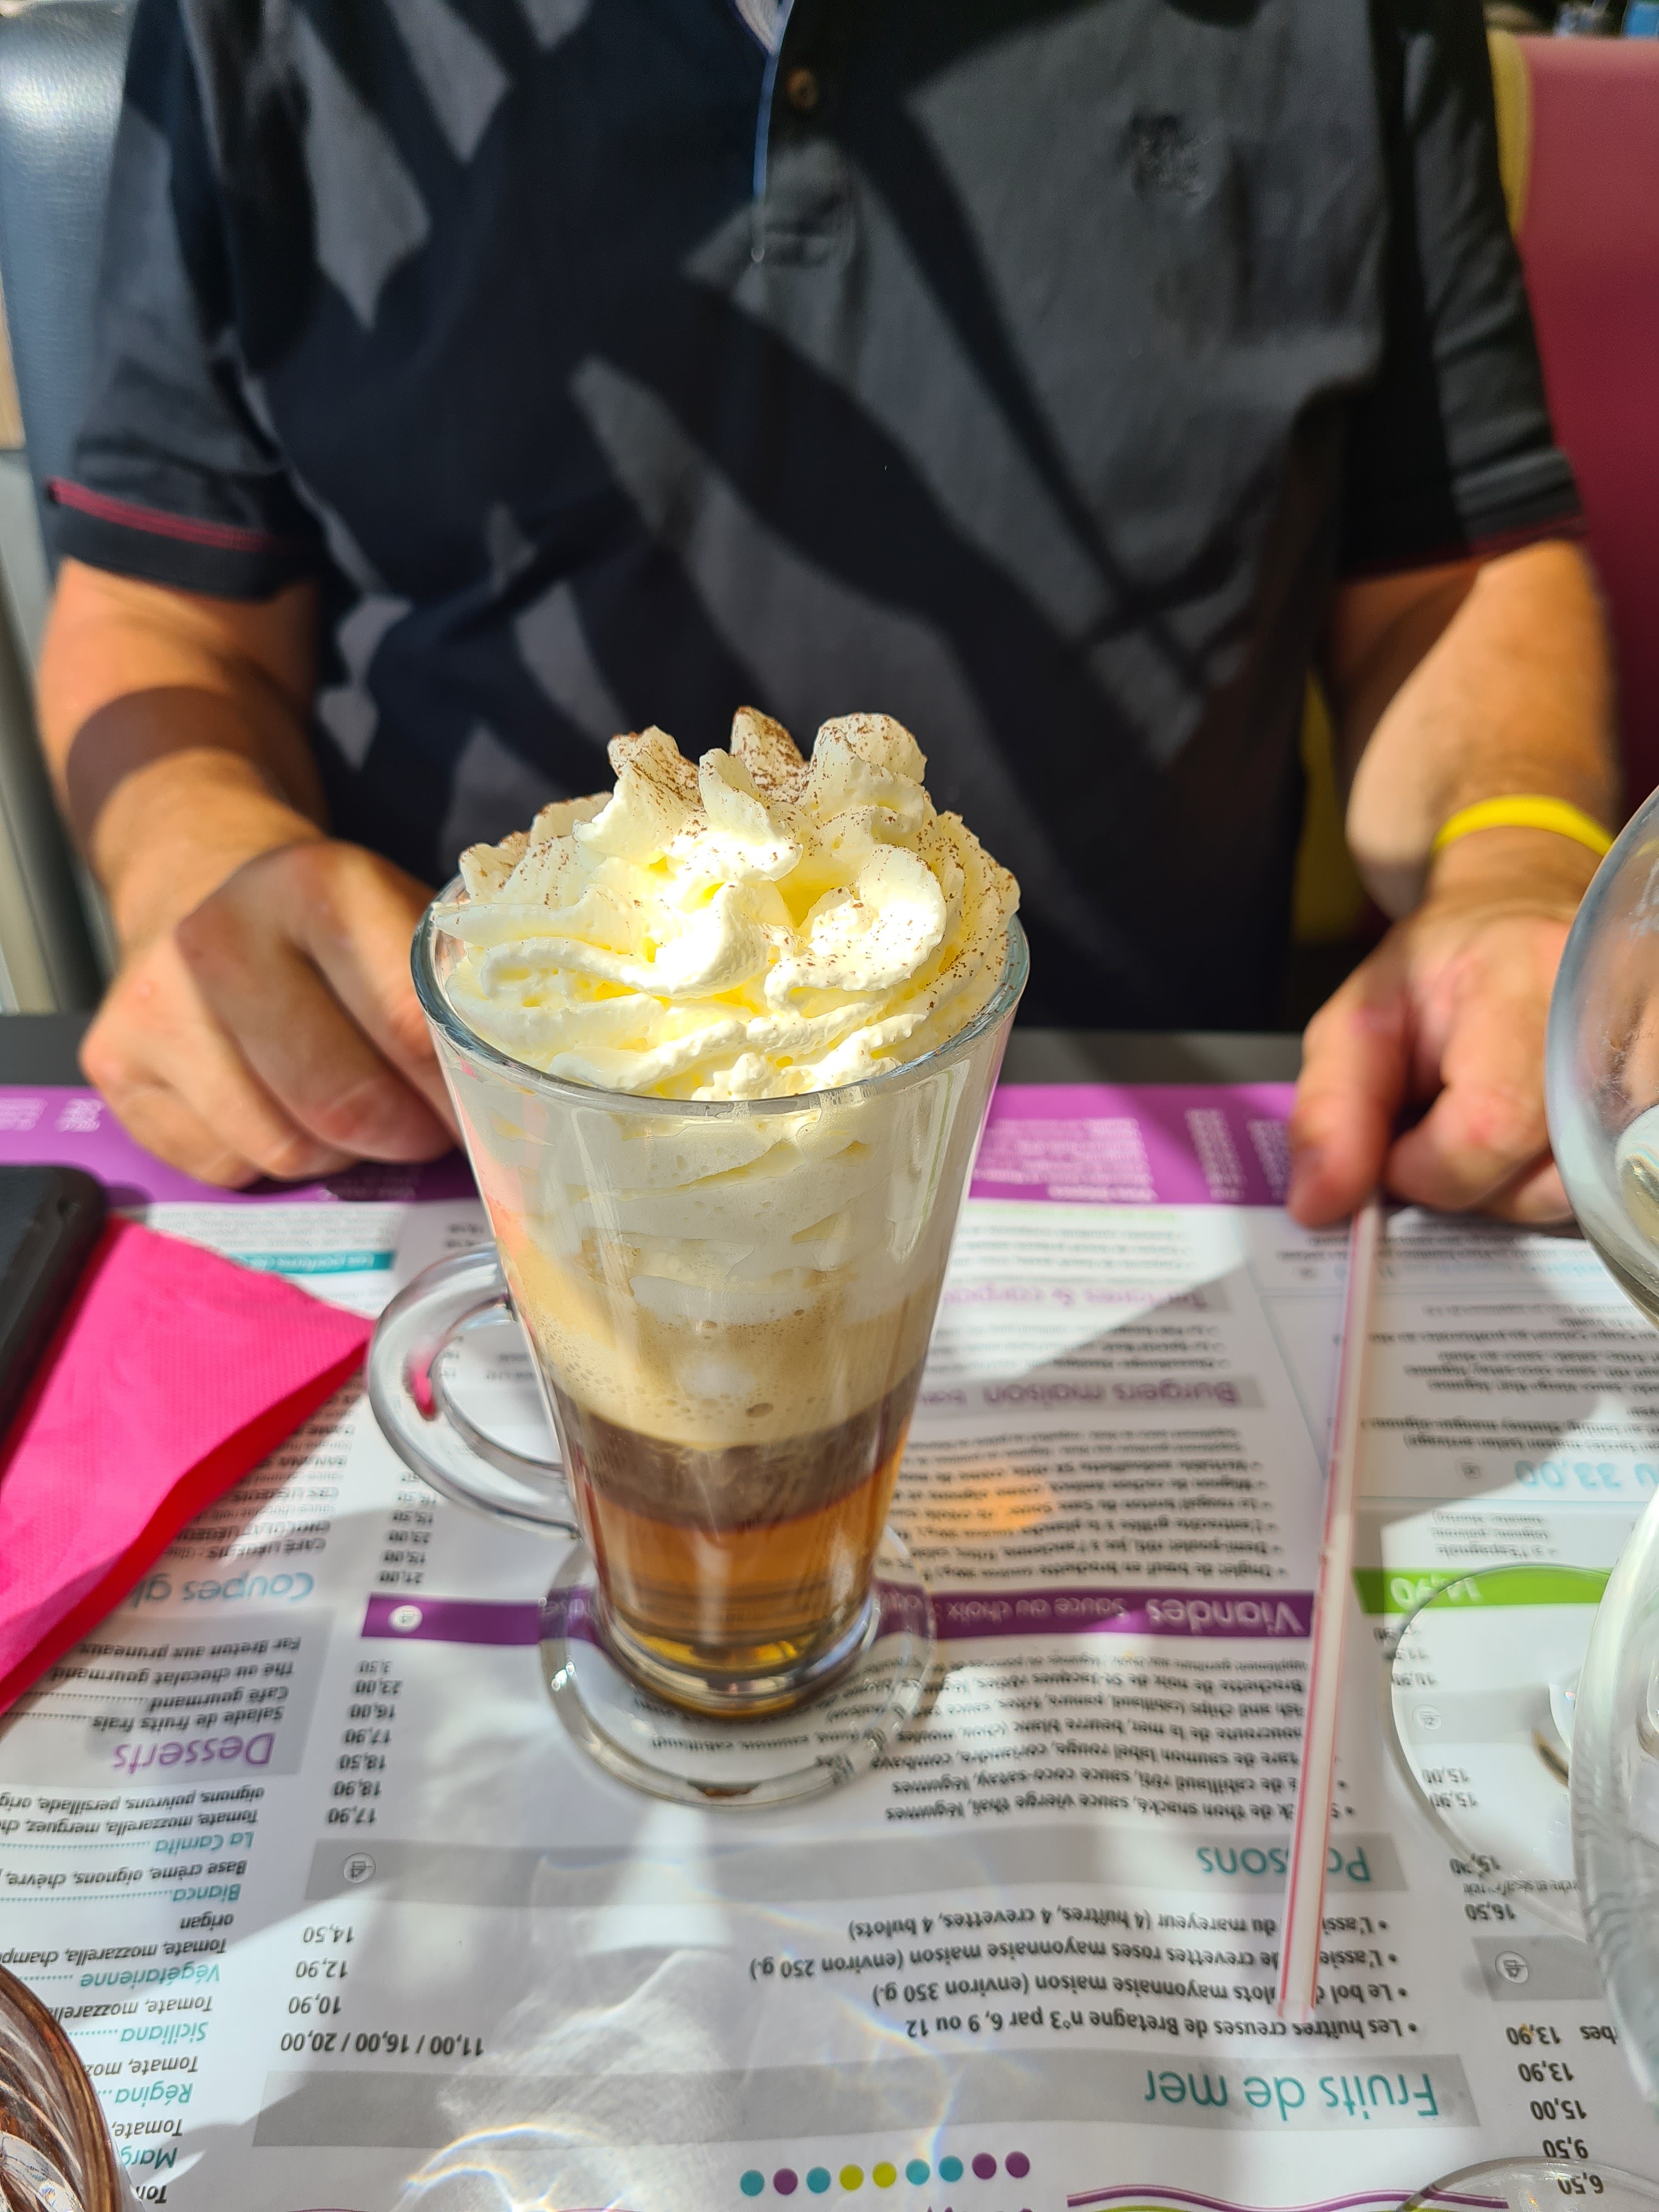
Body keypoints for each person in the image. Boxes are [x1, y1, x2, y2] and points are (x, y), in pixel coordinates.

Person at [38, 0, 1616, 1228]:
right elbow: (165, 625)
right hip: (458, 1153)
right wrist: (200, 866)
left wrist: (1520, 861)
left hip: (1144, 1150)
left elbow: (1452, 581)